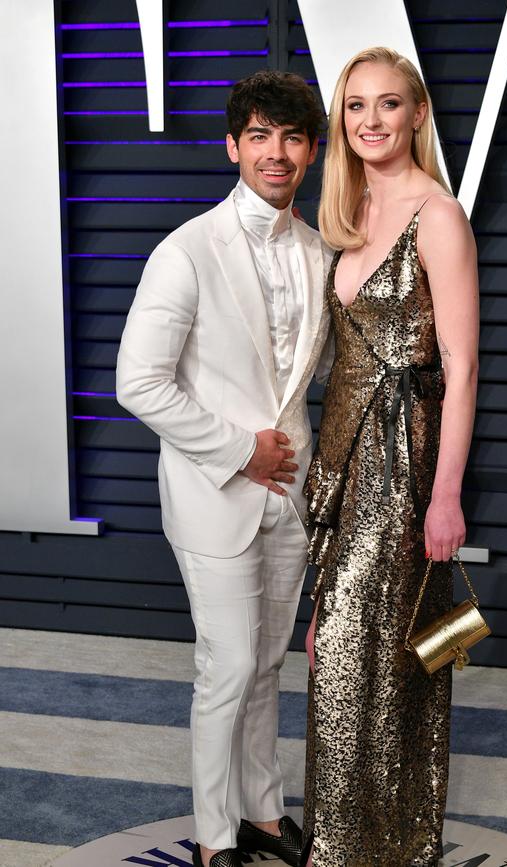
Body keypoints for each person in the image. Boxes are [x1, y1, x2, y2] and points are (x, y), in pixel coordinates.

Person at [116, 71, 332, 867]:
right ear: (234, 145)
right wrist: (241, 448)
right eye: (261, 136)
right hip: (215, 490)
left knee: (270, 661)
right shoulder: (187, 248)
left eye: (293, 137)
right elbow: (137, 382)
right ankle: (214, 834)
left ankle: (265, 813)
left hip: (292, 494)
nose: (276, 153)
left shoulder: (316, 251)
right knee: (229, 662)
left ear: (310, 151)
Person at [301, 47, 479, 866]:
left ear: (417, 115)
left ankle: (358, 850)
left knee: (369, 657)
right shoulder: (353, 209)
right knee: (353, 656)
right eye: (356, 106)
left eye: (388, 105)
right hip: (346, 463)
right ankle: (383, 840)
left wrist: (446, 496)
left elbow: (463, 363)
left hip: (404, 471)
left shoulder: (436, 215)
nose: (371, 121)